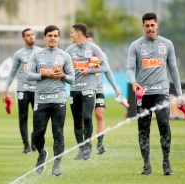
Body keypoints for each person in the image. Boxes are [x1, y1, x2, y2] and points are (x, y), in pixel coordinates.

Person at [126, 12, 184, 175]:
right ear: (143, 26)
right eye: (147, 25)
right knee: (143, 129)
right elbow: (130, 68)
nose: (150, 28)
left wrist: (179, 94)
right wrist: (133, 82)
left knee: (164, 124)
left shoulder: (167, 44)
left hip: (161, 92)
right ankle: (147, 165)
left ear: (157, 25)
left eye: (153, 25)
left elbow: (173, 69)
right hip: (142, 95)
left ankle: (166, 163)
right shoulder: (135, 46)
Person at [26, 25, 75, 176]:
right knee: (38, 134)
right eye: (50, 36)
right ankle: (42, 153)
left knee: (58, 133)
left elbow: (72, 79)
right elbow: (28, 75)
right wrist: (46, 74)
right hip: (41, 100)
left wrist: (62, 76)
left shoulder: (65, 56)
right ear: (45, 37)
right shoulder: (37, 54)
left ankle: (56, 166)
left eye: (55, 36)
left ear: (59, 38)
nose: (53, 38)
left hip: (58, 100)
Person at [65, 23, 109, 161]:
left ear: (79, 33)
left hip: (89, 88)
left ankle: (88, 145)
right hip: (74, 90)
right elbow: (65, 68)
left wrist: (89, 70)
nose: (70, 34)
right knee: (77, 121)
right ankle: (81, 150)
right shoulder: (69, 50)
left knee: (87, 117)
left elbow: (104, 66)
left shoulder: (93, 49)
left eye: (72, 32)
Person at [2, 28, 41, 154]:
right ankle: (26, 145)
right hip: (22, 90)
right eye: (28, 35)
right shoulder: (19, 54)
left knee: (38, 117)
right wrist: (5, 90)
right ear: (23, 38)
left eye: (32, 34)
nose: (31, 37)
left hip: (37, 90)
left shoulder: (41, 52)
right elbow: (12, 72)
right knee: (23, 117)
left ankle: (34, 139)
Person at [86, 34, 121, 154]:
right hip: (85, 90)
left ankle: (100, 144)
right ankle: (87, 144)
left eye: (92, 43)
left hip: (99, 90)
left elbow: (108, 72)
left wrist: (115, 88)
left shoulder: (100, 55)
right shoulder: (80, 56)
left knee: (100, 115)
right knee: (85, 119)